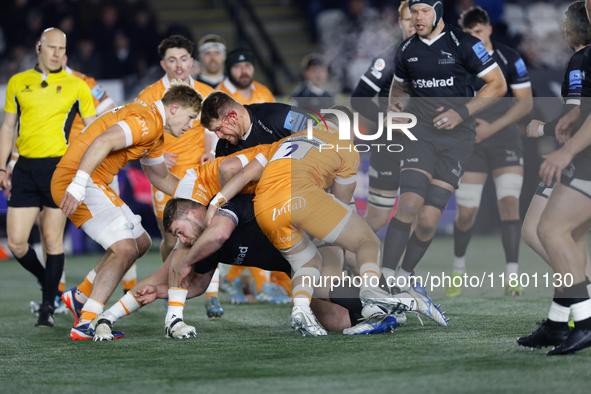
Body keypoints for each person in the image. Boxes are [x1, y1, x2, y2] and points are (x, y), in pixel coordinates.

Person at [201, 108, 449, 336]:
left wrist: (216, 202)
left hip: (268, 209)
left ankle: (308, 310)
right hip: (309, 203)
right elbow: (342, 204)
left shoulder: (284, 141)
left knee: (316, 270)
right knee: (364, 244)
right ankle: (392, 297)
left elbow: (239, 171)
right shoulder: (343, 146)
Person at [53, 81, 202, 340]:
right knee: (125, 248)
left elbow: (160, 177)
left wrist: (201, 197)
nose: (191, 126)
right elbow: (104, 140)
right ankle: (85, 322)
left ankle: (80, 297)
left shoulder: (155, 128)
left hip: (94, 180)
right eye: (190, 118)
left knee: (141, 242)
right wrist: (77, 185)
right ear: (175, 108)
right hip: (80, 179)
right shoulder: (147, 120)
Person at [383, 0, 507, 291]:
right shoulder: (406, 49)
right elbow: (398, 88)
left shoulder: (464, 43)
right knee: (410, 203)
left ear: (438, 12)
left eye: (424, 11)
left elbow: (498, 85)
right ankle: (385, 278)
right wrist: (395, 107)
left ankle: (404, 275)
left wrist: (461, 112)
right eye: (414, 12)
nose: (417, 17)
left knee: (428, 221)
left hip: (457, 140)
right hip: (421, 135)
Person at [0, 28, 96, 327]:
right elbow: (8, 127)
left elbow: (94, 131)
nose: (56, 53)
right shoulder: (18, 82)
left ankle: (47, 309)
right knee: (16, 242)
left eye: (61, 48)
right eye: (51, 47)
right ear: (39, 47)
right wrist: (3, 167)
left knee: (53, 240)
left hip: (59, 169)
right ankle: (51, 287)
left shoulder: (77, 86)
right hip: (25, 168)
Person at [517, 0, 591, 355]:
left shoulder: (582, 58)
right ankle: (560, 322)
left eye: (566, 22)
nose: (563, 29)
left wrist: (542, 130)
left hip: (578, 157)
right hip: (576, 155)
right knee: (566, 236)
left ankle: (583, 311)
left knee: (543, 231)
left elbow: (577, 115)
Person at [445, 6, 533, 298]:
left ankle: (512, 278)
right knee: (467, 212)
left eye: (479, 32)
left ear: (489, 30)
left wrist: (491, 129)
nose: (475, 37)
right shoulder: (458, 61)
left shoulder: (510, 57)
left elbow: (525, 103)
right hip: (471, 143)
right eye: (469, 34)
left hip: (505, 140)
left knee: (510, 204)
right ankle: (458, 271)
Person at [135, 35, 221, 318]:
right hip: (165, 176)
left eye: (183, 58)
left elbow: (212, 128)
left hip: (198, 174)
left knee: (207, 231)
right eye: (172, 59)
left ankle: (212, 294)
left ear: (191, 61)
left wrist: (210, 151)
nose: (179, 65)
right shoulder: (149, 94)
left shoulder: (207, 92)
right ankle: (169, 282)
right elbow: (138, 129)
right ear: (163, 63)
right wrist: (156, 153)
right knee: (172, 239)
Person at [201, 90, 309, 303]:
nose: (219, 137)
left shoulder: (277, 116)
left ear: (232, 117)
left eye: (219, 129)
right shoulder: (225, 149)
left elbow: (324, 136)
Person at [350, 0, 415, 234]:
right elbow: (358, 98)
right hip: (390, 145)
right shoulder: (388, 59)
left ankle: (406, 272)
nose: (414, 23)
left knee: (418, 216)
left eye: (419, 17)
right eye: (409, 19)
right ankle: (348, 264)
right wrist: (385, 119)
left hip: (427, 146)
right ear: (400, 23)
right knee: (377, 218)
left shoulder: (442, 59)